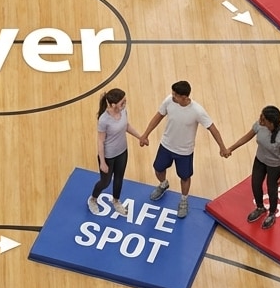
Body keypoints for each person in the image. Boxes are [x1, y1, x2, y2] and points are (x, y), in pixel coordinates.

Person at [137, 80, 226, 218]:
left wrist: (222, 147)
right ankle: (163, 184)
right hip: (166, 145)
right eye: (172, 93)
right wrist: (145, 135)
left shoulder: (197, 111)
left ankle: (184, 200)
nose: (172, 96)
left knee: (185, 177)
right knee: (158, 169)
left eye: (176, 95)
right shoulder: (169, 101)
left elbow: (212, 128)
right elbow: (158, 117)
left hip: (185, 152)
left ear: (184, 97)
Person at [223, 105, 280, 230]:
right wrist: (231, 149)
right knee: (255, 184)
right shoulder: (259, 126)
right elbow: (246, 138)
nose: (260, 119)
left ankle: (271, 213)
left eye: (263, 118)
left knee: (272, 190)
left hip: (275, 166)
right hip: (260, 161)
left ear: (270, 122)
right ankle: (260, 207)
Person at [90, 88, 144, 216]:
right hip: (108, 156)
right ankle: (93, 199)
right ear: (113, 104)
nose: (124, 104)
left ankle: (116, 201)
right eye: (122, 102)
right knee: (105, 182)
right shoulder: (104, 120)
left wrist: (140, 137)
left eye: (125, 101)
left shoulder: (123, 111)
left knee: (119, 179)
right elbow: (100, 141)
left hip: (122, 152)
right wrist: (102, 162)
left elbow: (126, 126)